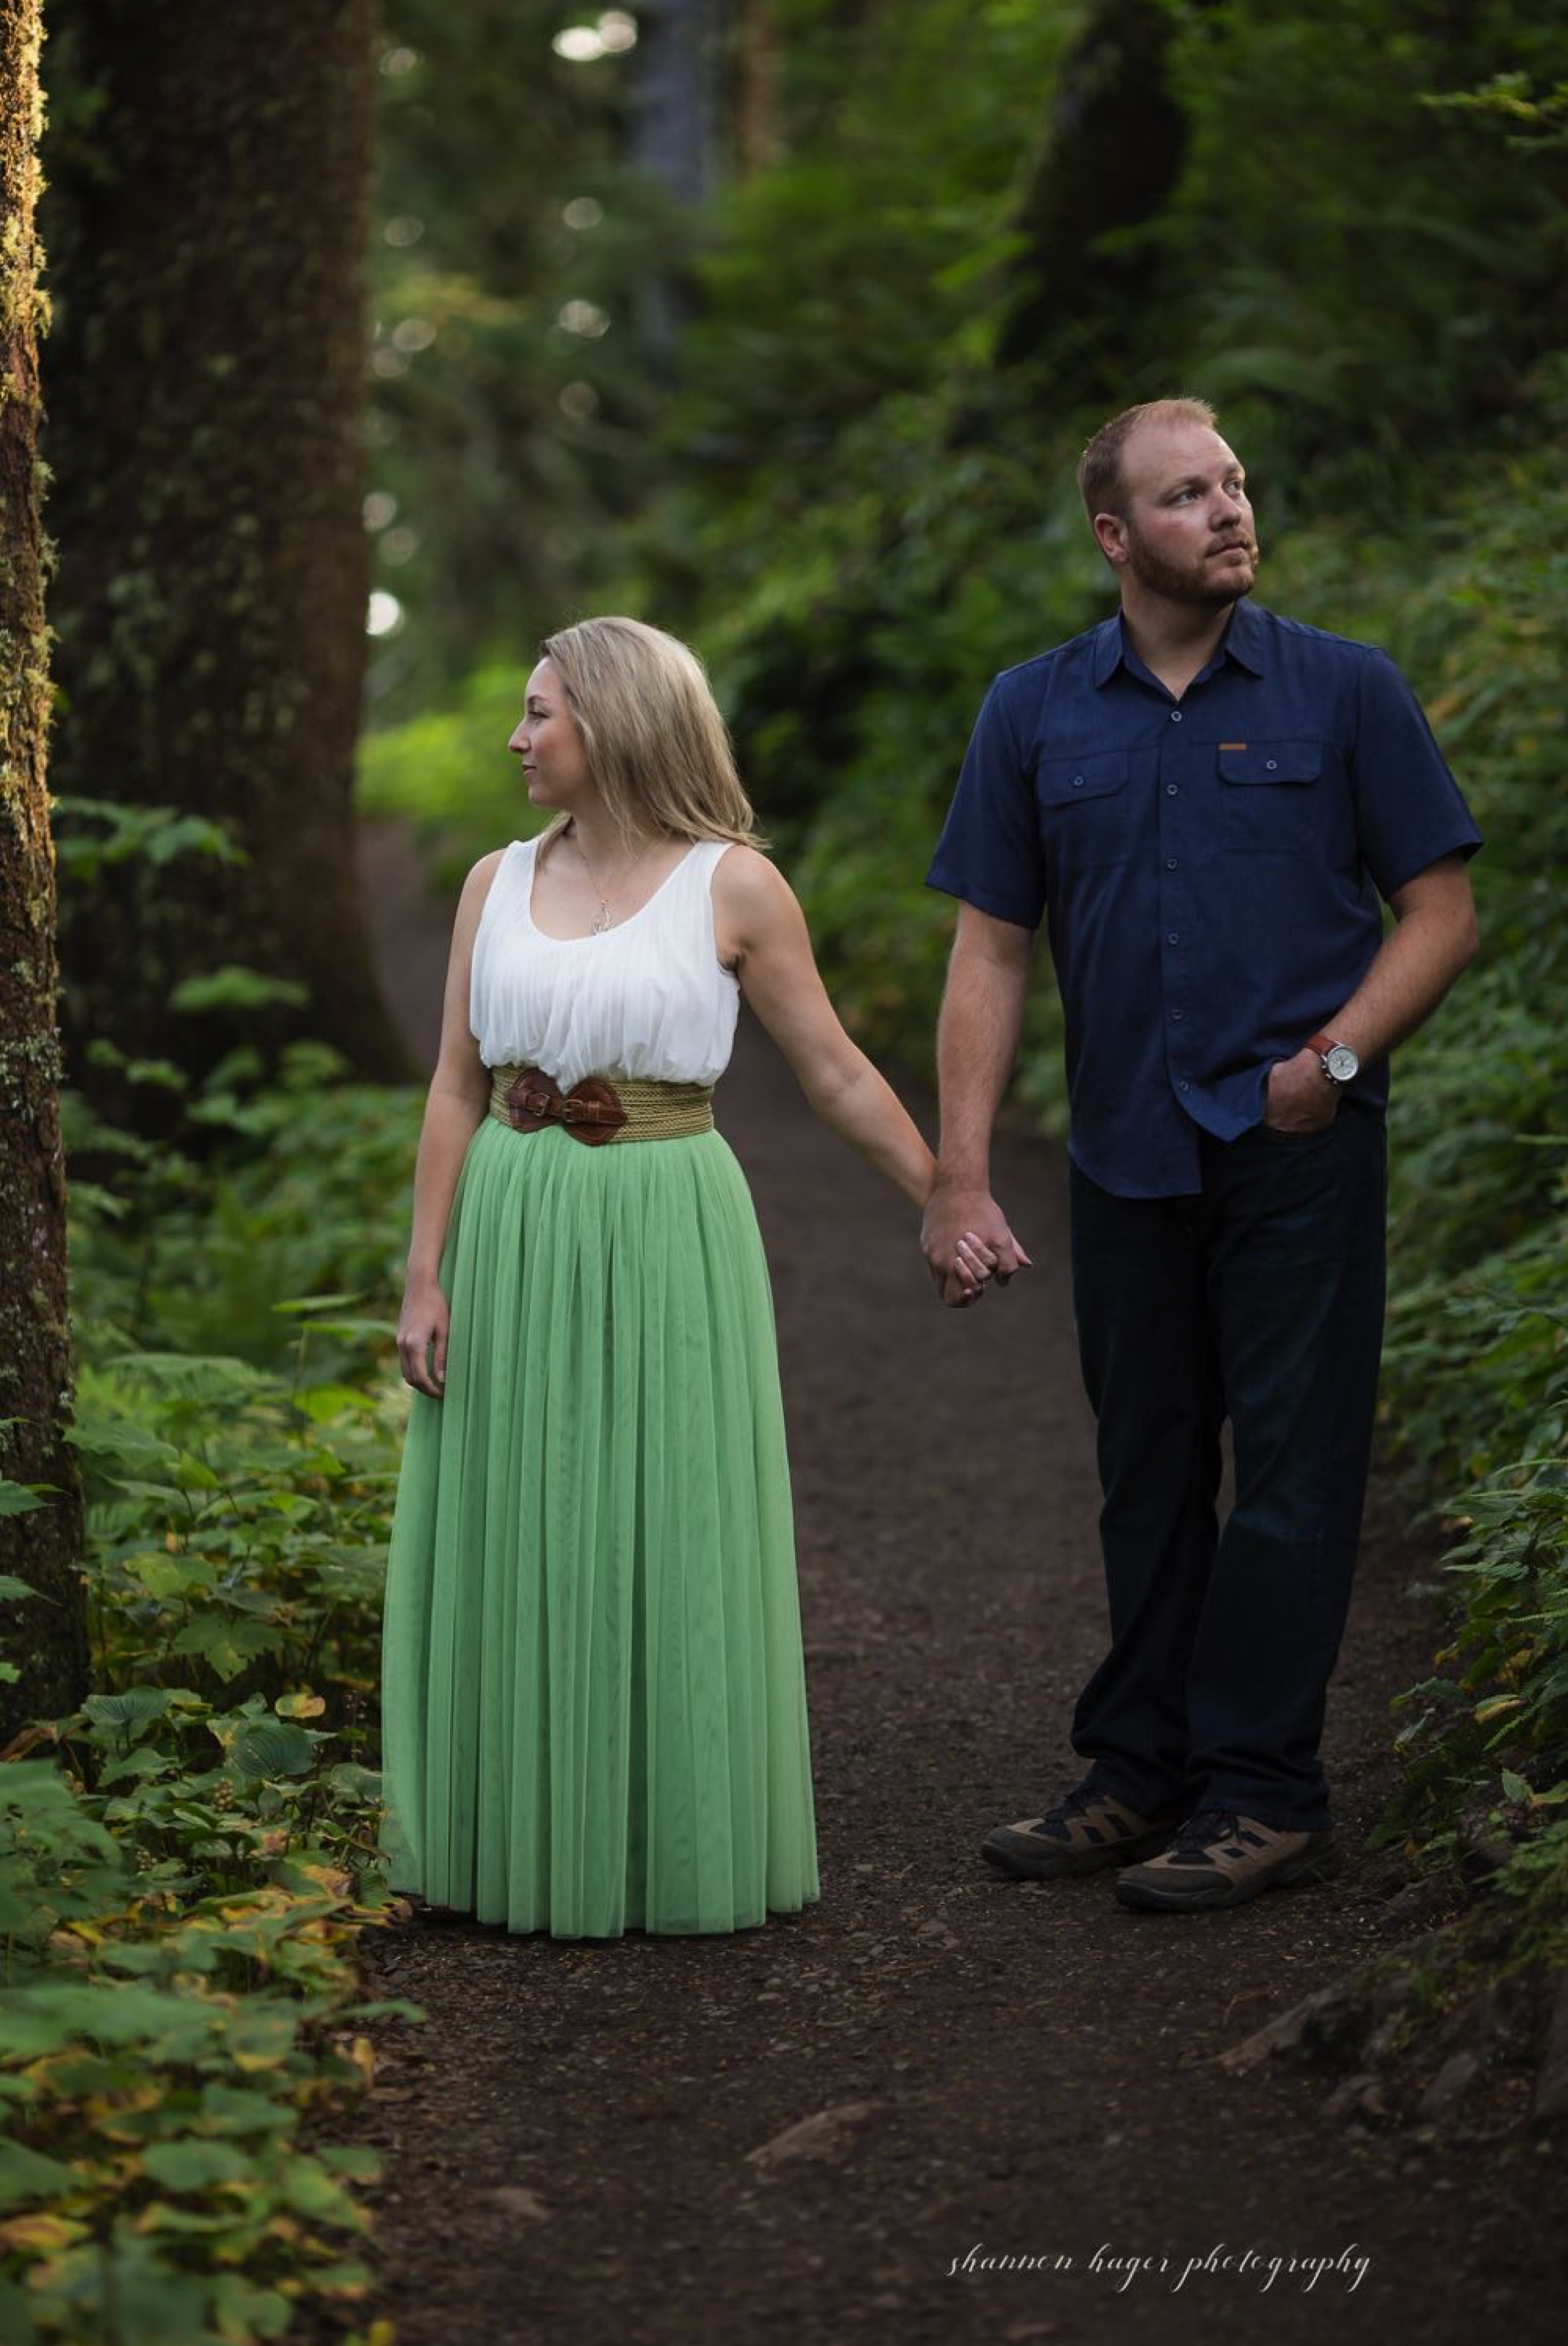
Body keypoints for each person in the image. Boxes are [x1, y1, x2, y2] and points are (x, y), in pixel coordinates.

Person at [920, 397, 1481, 1913]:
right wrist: (960, 1175)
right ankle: (1138, 1770)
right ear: (1116, 537)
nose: (1232, 510)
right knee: (1146, 1470)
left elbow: (1439, 909)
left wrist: (1336, 1063)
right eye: (1188, 496)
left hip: (1296, 1149)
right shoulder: (1033, 712)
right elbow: (989, 952)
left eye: (1235, 483)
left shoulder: (1344, 693)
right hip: (1122, 1153)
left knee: (1292, 1477)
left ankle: (1263, 1790)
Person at [379, 616, 975, 1940]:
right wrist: (425, 1274)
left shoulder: (735, 886)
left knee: (659, 1517)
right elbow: (455, 1087)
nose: (518, 737)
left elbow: (831, 1070)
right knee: (520, 1518)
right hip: (516, 1218)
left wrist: (948, 1195)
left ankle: (659, 1842)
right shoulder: (493, 880)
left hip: (667, 1217)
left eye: (542, 713)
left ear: (619, 720)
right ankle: (506, 1842)